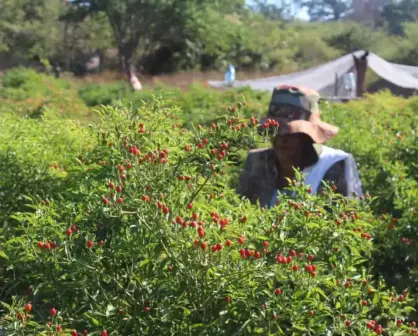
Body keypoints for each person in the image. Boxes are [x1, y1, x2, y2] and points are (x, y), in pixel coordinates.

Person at [236, 85, 363, 208]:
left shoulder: (333, 163)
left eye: (290, 134)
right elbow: (244, 211)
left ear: (307, 137)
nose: (281, 139)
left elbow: (341, 222)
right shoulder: (258, 161)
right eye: (275, 131)